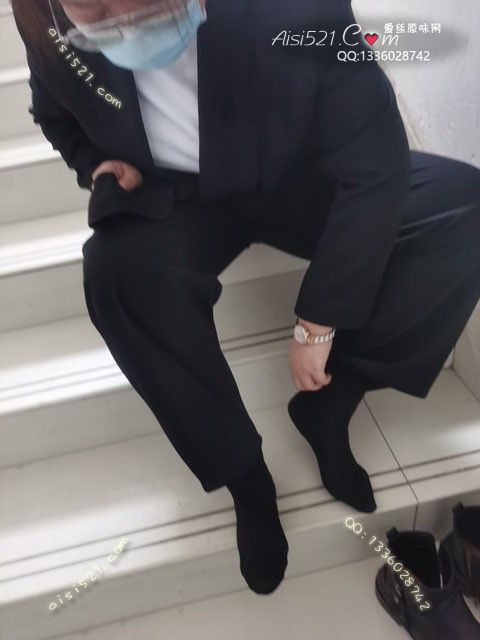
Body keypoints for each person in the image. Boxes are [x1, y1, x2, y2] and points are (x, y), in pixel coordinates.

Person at [11, 0, 480, 596]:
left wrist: (319, 322)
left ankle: (331, 405)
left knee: (465, 211)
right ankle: (246, 480)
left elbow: (377, 160)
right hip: (177, 194)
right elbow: (52, 109)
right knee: (115, 275)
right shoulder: (47, 19)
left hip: (299, 175)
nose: (120, 23)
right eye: (94, 9)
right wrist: (94, 163)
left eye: (138, 5)